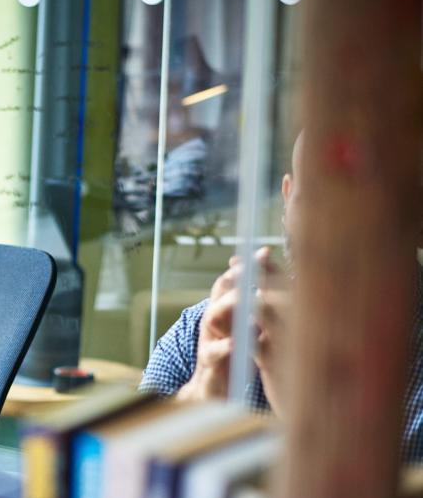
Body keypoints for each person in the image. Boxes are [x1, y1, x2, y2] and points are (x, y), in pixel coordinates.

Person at [140, 133, 423, 462]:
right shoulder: (197, 335)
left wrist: (304, 413)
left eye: (363, 213)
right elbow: (119, 490)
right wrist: (204, 389)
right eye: (312, 200)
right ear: (288, 199)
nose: (328, 234)